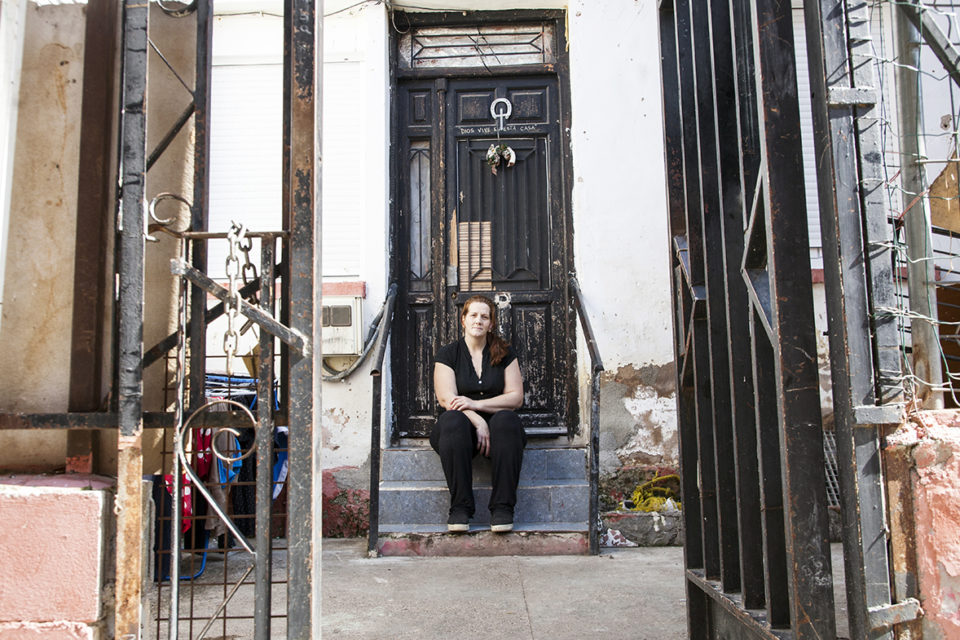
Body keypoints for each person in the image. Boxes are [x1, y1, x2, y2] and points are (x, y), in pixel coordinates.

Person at [431, 294, 526, 533]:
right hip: (459, 434)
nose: (478, 321)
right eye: (473, 315)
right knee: (452, 420)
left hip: (498, 435)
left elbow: (515, 397)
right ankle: (460, 508)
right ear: (463, 319)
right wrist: (477, 422)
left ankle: (503, 508)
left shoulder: (504, 352)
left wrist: (476, 405)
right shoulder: (448, 353)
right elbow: (446, 398)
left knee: (507, 420)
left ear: (491, 324)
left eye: (485, 317)